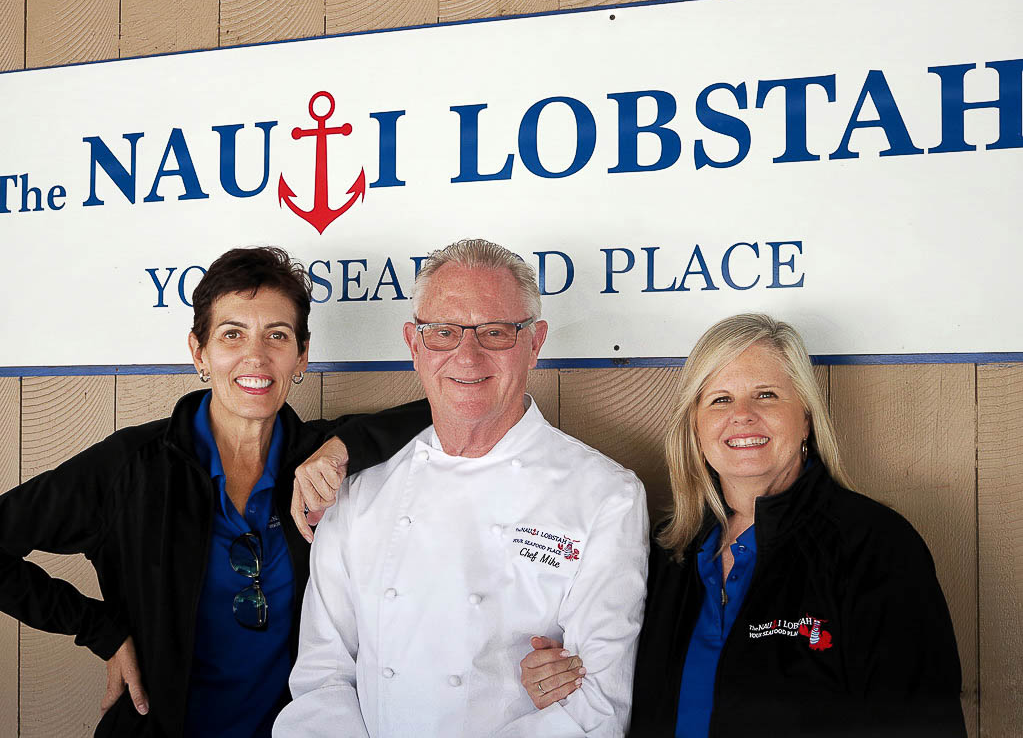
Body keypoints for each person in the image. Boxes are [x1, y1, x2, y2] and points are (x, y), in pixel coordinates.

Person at [0, 246, 430, 737]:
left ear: (301, 356)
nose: (256, 356)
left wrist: (345, 446)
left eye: (277, 335)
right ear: (199, 352)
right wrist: (100, 629)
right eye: (232, 335)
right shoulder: (132, 466)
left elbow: (449, 407)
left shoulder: (320, 456)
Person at [274, 238, 650, 738]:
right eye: (443, 332)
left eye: (495, 332)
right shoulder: (359, 492)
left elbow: (597, 706)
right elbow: (323, 678)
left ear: (535, 343)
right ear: (414, 344)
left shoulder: (606, 497)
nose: (466, 356)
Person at [620, 313, 967, 737]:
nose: (742, 415)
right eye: (720, 399)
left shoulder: (875, 546)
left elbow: (925, 725)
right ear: (695, 425)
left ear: (806, 416)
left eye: (765, 395)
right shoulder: (664, 552)